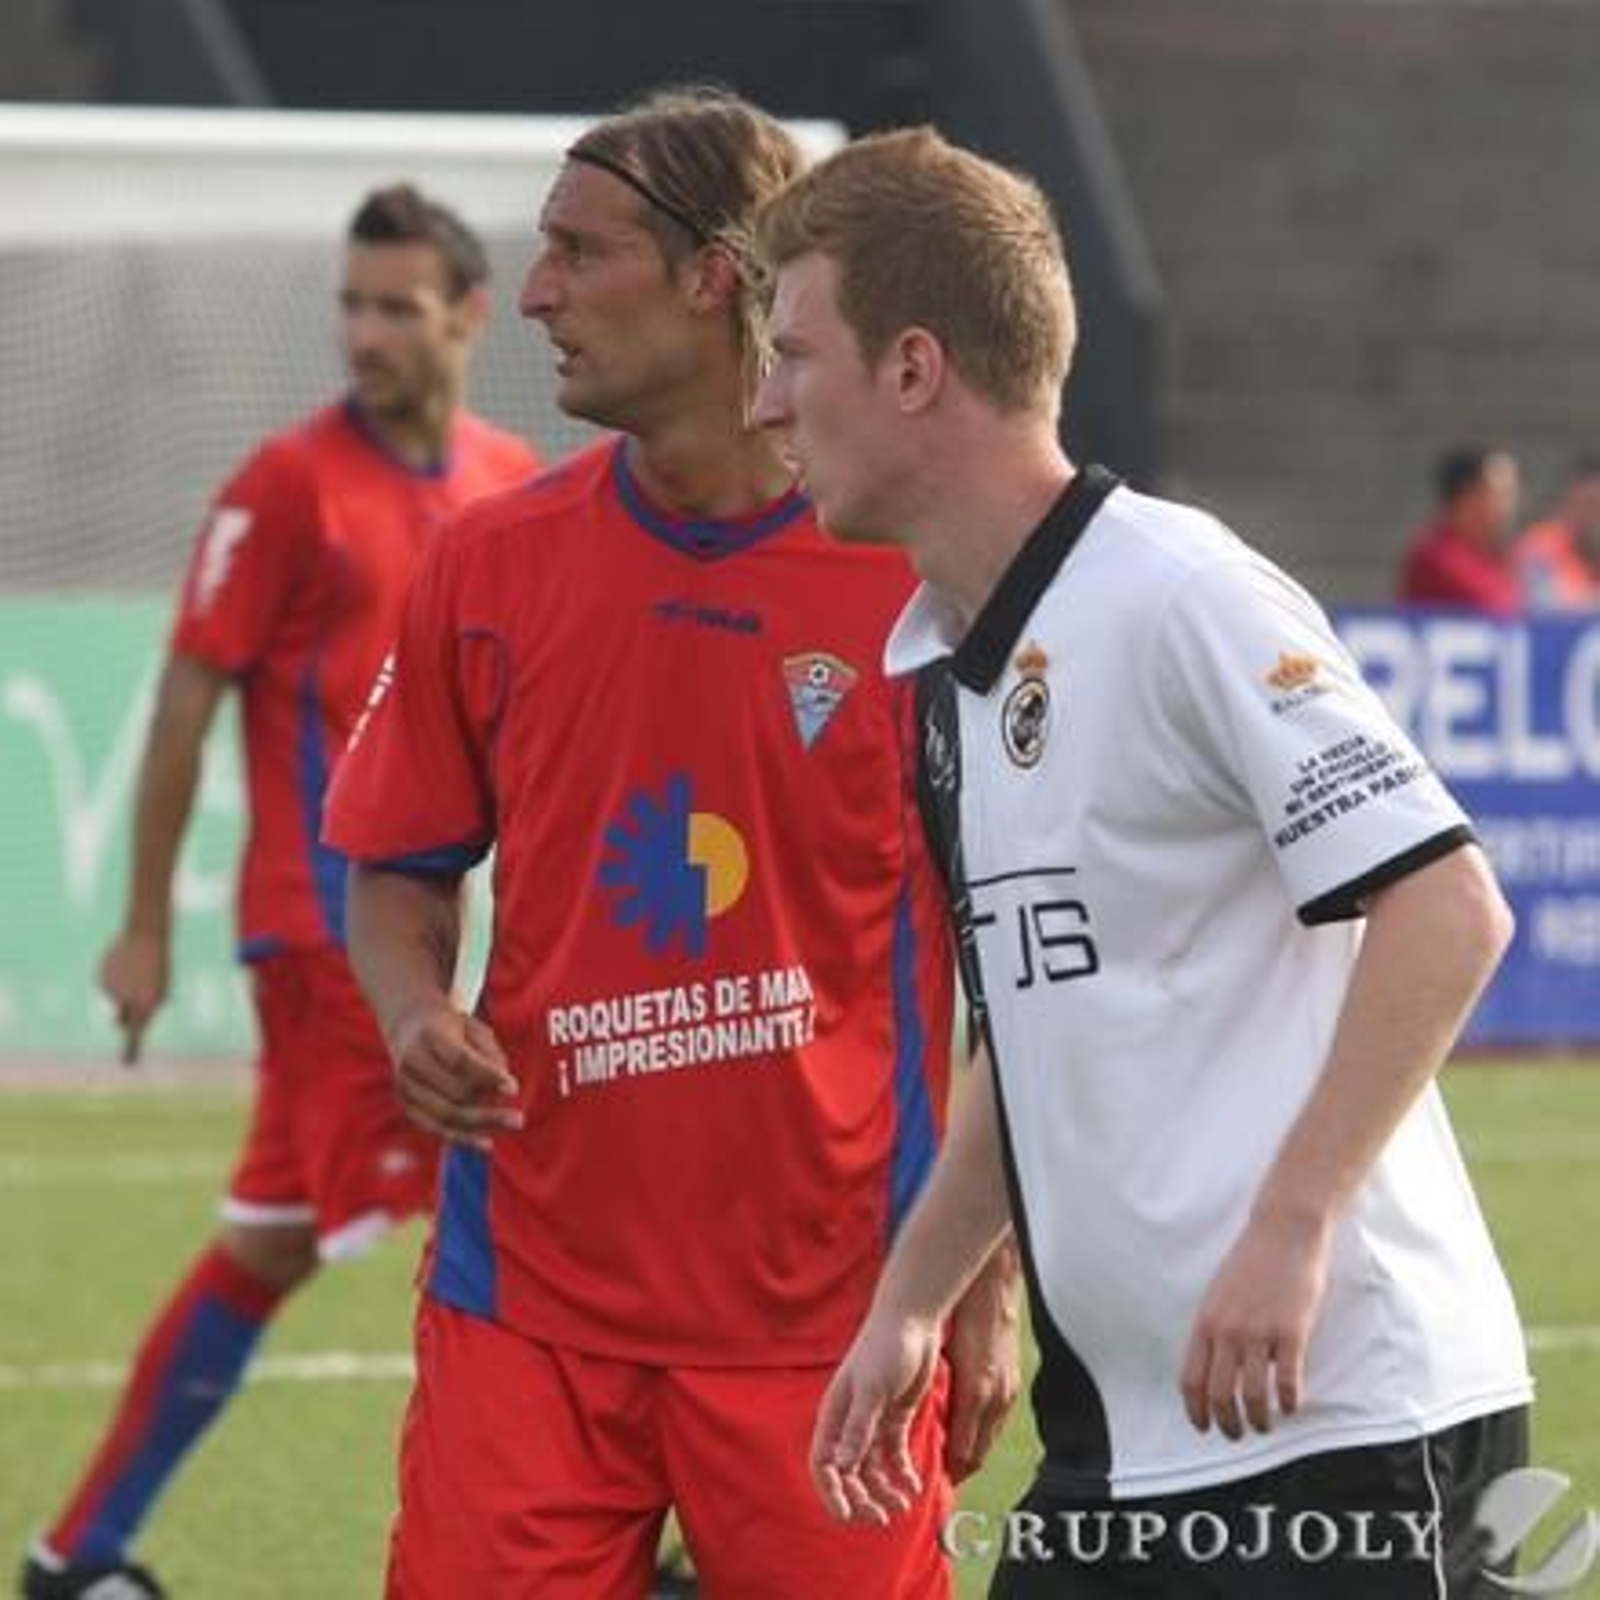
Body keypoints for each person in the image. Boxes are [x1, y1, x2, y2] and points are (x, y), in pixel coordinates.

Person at [754, 127, 1532, 1598]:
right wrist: (910, 1302)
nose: (763, 401)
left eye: (794, 352)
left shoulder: (1178, 591)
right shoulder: (935, 671)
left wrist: (1291, 1227)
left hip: (1343, 1421)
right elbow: (1037, 1031)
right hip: (1119, 1448)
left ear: (914, 369)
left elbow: (1449, 906)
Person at [322, 89, 1020, 1599]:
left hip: (832, 1321)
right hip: (529, 1306)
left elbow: (1020, 960)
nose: (534, 296)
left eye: (580, 252)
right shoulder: (489, 561)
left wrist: (982, 1273)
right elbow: (396, 868)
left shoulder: (917, 588)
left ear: (716, 276)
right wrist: (413, 1009)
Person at [21, 185, 540, 1600]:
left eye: (395, 305)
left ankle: (77, 1554)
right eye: (350, 303)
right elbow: (188, 701)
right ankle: (578, 1546)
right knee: (526, 1205)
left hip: (435, 936)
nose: (363, 332)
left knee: (265, 1247)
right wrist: (136, 926)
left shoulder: (506, 483)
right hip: (324, 938)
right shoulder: (285, 486)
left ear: (467, 316)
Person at [1397, 445, 1523, 612]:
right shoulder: (1438, 556)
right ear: (1468, 496)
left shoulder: (1496, 555)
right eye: (1501, 494)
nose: (1510, 505)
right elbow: (1498, 609)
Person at [1514, 454, 1600, 608]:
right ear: (1568, 500)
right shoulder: (1539, 545)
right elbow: (1544, 603)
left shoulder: (1592, 549)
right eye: (1588, 504)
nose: (1593, 516)